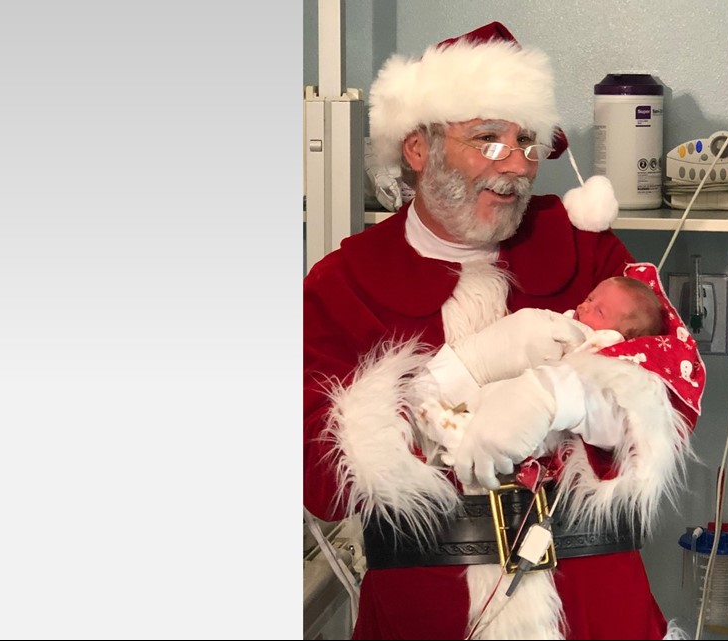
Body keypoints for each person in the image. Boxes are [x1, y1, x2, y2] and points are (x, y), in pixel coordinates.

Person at [303, 21, 707, 640]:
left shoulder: (585, 251)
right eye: (489, 139)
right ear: (419, 148)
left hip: (597, 611)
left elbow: (672, 399)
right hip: (427, 614)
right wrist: (457, 372)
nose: (517, 165)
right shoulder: (342, 283)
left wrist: (562, 396)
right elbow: (322, 480)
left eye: (526, 140)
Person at [415, 275, 666, 460]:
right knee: (491, 399)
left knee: (526, 434)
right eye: (589, 298)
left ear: (624, 334)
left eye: (598, 311)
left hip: (549, 422)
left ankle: (458, 434)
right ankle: (453, 422)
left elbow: (586, 378)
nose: (584, 306)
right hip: (509, 385)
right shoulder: (569, 321)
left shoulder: (607, 344)